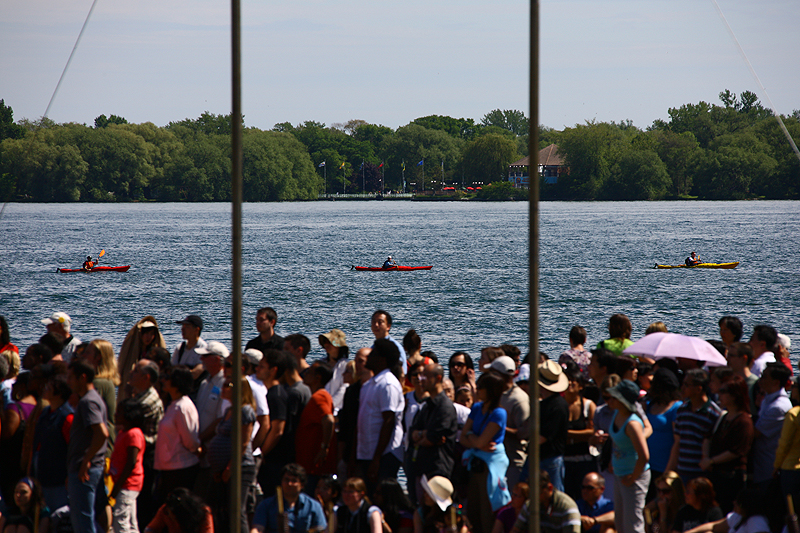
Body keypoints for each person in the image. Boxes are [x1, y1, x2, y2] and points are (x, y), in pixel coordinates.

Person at [461, 372, 511, 533]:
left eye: (481, 387)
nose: (477, 390)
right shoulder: (476, 407)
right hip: (476, 462)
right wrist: (477, 443)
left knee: (487, 510)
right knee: (473, 509)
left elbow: (476, 439)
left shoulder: (499, 413)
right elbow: (463, 436)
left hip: (491, 466)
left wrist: (473, 440)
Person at [207, 376, 257, 533]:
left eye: (227, 385)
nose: (223, 388)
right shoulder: (229, 410)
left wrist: (230, 467)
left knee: (237, 510)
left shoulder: (245, 411)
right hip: (222, 469)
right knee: (223, 509)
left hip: (240, 467)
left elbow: (243, 442)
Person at [66, 359, 109, 533]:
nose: (68, 382)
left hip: (86, 470)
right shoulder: (91, 399)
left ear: (82, 378)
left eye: (70, 378)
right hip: (89, 467)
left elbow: (102, 433)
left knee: (82, 520)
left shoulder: (88, 402)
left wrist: (85, 461)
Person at [698, 376, 752, 514]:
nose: (719, 395)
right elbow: (708, 437)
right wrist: (706, 458)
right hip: (716, 475)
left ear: (735, 395)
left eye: (723, 391)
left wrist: (711, 460)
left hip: (731, 477)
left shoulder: (743, 421)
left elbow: (737, 451)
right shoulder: (723, 417)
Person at [356, 339, 404, 493]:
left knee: (381, 497)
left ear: (382, 360)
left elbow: (388, 421)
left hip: (384, 454)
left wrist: (377, 459)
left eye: (374, 352)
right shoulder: (369, 384)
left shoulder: (388, 384)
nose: (369, 355)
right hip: (367, 452)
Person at [407, 363, 458, 504]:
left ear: (438, 378)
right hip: (422, 466)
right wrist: (423, 435)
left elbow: (433, 437)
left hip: (438, 467)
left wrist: (423, 435)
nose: (421, 379)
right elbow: (411, 433)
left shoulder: (445, 407)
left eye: (426, 376)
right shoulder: (427, 406)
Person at [605, 379, 650, 533]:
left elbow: (644, 456)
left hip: (633, 477)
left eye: (614, 397)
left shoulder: (633, 424)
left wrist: (632, 478)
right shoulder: (617, 414)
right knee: (620, 522)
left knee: (633, 524)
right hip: (620, 474)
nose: (610, 400)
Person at [153, 366, 201, 504]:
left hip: (180, 468)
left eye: (168, 378)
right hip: (169, 467)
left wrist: (195, 449)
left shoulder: (183, 407)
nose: (163, 380)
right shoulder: (173, 405)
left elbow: (190, 440)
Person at [666, 369, 721, 484]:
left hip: (701, 476)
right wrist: (669, 470)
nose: (682, 388)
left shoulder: (714, 413)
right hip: (682, 472)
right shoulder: (682, 410)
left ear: (698, 389)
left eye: (686, 385)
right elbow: (677, 443)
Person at [31, 371, 73, 512]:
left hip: (58, 478)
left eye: (49, 388)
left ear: (59, 393)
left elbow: (72, 448)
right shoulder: (46, 413)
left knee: (57, 514)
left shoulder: (66, 418)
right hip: (41, 472)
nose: (45, 390)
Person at [296, 362, 337, 495]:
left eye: (309, 372)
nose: (305, 374)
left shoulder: (319, 396)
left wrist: (324, 447)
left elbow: (328, 419)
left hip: (312, 465)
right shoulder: (319, 395)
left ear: (318, 378)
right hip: (309, 464)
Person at [251, 463, 327, 533]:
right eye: (286, 480)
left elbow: (321, 529)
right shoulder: (266, 505)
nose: (289, 484)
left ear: (302, 485)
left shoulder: (313, 506)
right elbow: (258, 528)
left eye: (294, 481)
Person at [751, 362, 792, 489]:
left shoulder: (778, 407)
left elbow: (756, 433)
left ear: (775, 383)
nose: (760, 380)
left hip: (768, 468)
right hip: (761, 465)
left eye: (764, 377)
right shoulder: (768, 399)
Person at [108, 399, 146, 533]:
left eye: (120, 413)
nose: (116, 415)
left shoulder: (133, 433)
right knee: (130, 522)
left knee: (120, 521)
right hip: (123, 483)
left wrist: (118, 485)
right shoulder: (123, 433)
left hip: (127, 484)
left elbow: (131, 462)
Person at [562, 362, 597, 501]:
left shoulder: (588, 406)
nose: (570, 384)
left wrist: (567, 434)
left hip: (584, 460)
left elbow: (592, 432)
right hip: (564, 460)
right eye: (567, 381)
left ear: (581, 386)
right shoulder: (560, 405)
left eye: (574, 381)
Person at [511, 470, 581, 533]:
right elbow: (516, 530)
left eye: (538, 493)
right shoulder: (529, 505)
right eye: (531, 494)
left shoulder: (567, 506)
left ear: (550, 488)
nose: (534, 498)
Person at [645, 368, 683, 485]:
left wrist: (668, 471)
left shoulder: (677, 407)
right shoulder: (649, 405)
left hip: (663, 467)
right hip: (646, 467)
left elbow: (677, 442)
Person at [538, 359, 569, 493]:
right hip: (545, 456)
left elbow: (545, 436)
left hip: (550, 458)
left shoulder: (558, 406)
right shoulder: (546, 403)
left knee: (554, 495)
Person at [117, 317, 167, 400]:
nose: (149, 337)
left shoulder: (154, 353)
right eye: (146, 334)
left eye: (151, 334)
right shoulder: (133, 351)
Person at [681, 487, 768, 533]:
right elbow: (713, 526)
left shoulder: (756, 520)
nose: (734, 503)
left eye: (738, 502)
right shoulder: (736, 517)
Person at [144, 487, 213, 533]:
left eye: (173, 515)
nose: (171, 517)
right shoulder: (165, 510)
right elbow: (151, 529)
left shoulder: (203, 512)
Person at [319, 329, 350, 414]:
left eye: (330, 342)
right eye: (325, 342)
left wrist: (331, 404)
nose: (326, 345)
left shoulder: (345, 365)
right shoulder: (321, 363)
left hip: (338, 411)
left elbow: (344, 389)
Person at [171, 315, 207, 381]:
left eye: (187, 326)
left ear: (197, 330)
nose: (182, 329)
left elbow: (195, 374)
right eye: (183, 326)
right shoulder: (180, 348)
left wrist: (178, 373)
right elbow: (171, 371)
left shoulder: (204, 349)